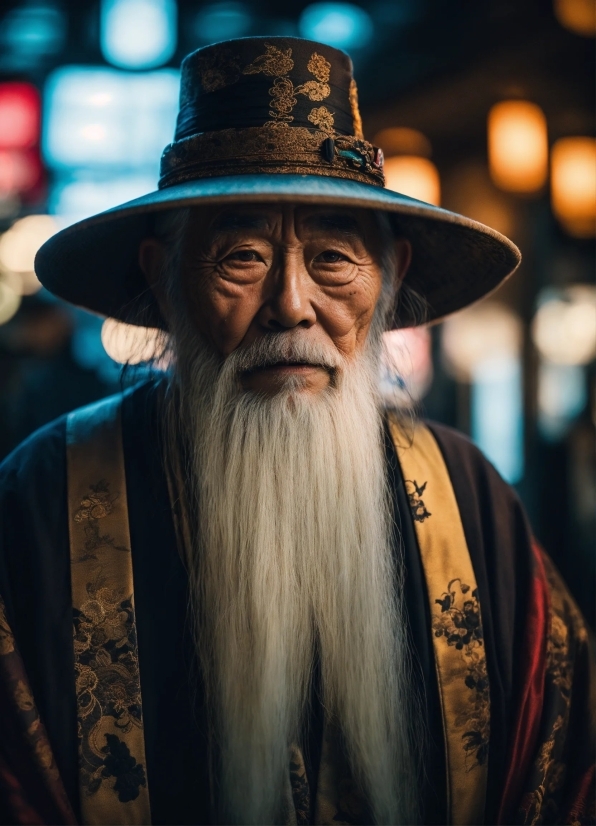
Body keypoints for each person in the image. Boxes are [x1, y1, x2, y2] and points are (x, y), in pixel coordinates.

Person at [0, 36, 593, 826]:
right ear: (161, 278)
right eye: (241, 256)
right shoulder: (45, 496)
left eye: (334, 259)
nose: (292, 304)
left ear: (390, 278)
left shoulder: (470, 502)